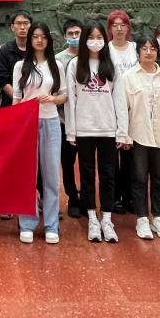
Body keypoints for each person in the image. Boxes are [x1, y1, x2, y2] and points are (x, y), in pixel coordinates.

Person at [64, 20, 127, 243]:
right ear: (84, 40)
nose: (95, 41)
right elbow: (70, 101)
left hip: (108, 129)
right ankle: (92, 217)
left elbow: (120, 99)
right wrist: (71, 131)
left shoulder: (112, 63)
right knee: (87, 175)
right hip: (84, 129)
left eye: (99, 37)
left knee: (109, 175)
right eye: (91, 37)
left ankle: (107, 219)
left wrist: (122, 130)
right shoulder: (74, 65)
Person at [121, 35, 160, 240]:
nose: (149, 52)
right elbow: (123, 109)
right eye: (144, 48)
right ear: (138, 51)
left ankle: (158, 217)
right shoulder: (128, 77)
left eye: (152, 48)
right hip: (138, 135)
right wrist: (124, 135)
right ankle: (142, 219)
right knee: (138, 178)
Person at [13, 22, 66, 244]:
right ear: (30, 40)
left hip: (51, 122)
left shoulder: (56, 65)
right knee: (27, 175)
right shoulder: (20, 66)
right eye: (35, 36)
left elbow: (64, 96)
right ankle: (27, 223)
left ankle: (52, 225)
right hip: (27, 125)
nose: (39, 40)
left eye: (43, 36)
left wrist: (52, 98)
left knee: (51, 176)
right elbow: (16, 99)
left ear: (48, 40)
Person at [106, 9, 137, 215]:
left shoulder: (135, 48)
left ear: (128, 28)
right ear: (110, 28)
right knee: (112, 157)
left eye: (122, 25)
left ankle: (129, 196)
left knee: (130, 156)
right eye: (115, 25)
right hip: (110, 107)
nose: (119, 29)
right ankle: (115, 197)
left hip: (134, 108)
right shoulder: (105, 49)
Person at [56, 19, 83, 218]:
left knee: (88, 163)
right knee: (67, 162)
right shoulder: (58, 59)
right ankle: (72, 197)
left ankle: (87, 198)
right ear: (65, 36)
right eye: (71, 34)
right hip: (64, 120)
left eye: (78, 33)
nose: (74, 37)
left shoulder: (92, 56)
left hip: (88, 121)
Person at [0, 10, 32, 109]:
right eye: (18, 23)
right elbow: (2, 79)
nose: (22, 27)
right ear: (12, 27)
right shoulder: (5, 50)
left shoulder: (37, 49)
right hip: (11, 103)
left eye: (26, 23)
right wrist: (19, 100)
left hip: (35, 103)